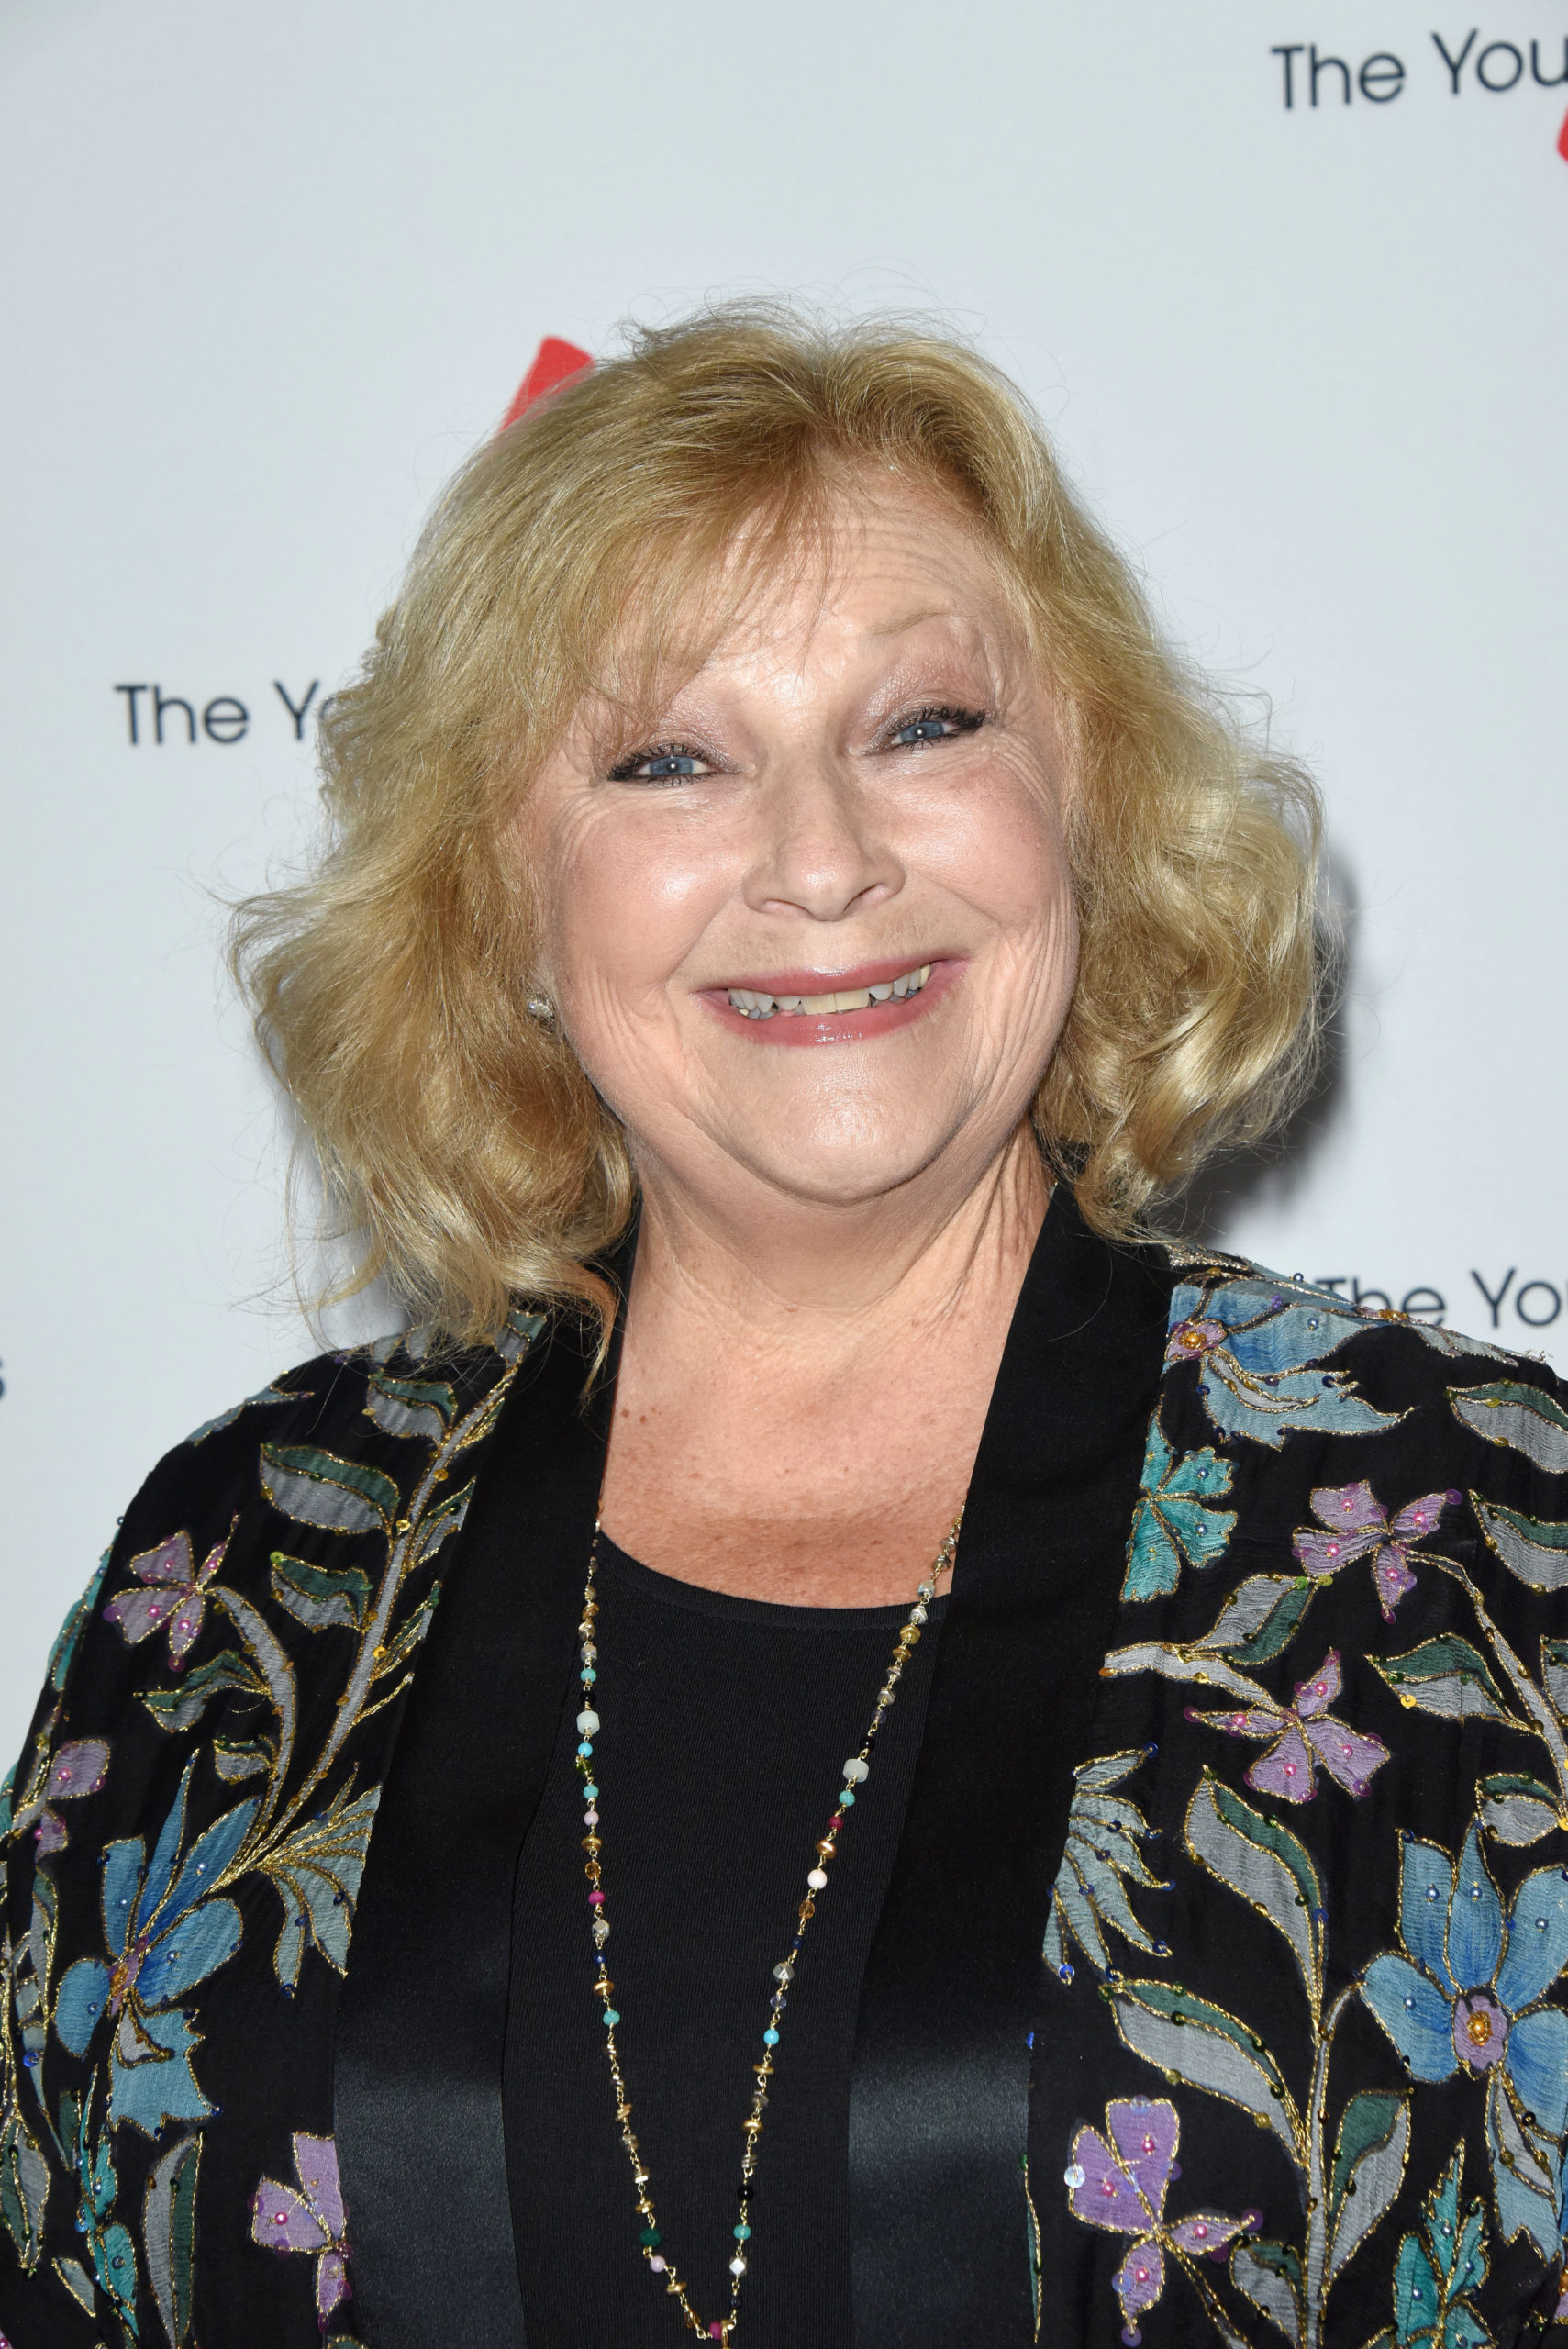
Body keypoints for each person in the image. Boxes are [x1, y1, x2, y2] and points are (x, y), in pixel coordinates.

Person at [3, 306, 1564, 2349]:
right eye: (670, 759)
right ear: (503, 903)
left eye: (926, 726)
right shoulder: (242, 1567)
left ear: (1081, 804)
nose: (823, 862)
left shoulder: (1469, 1541)